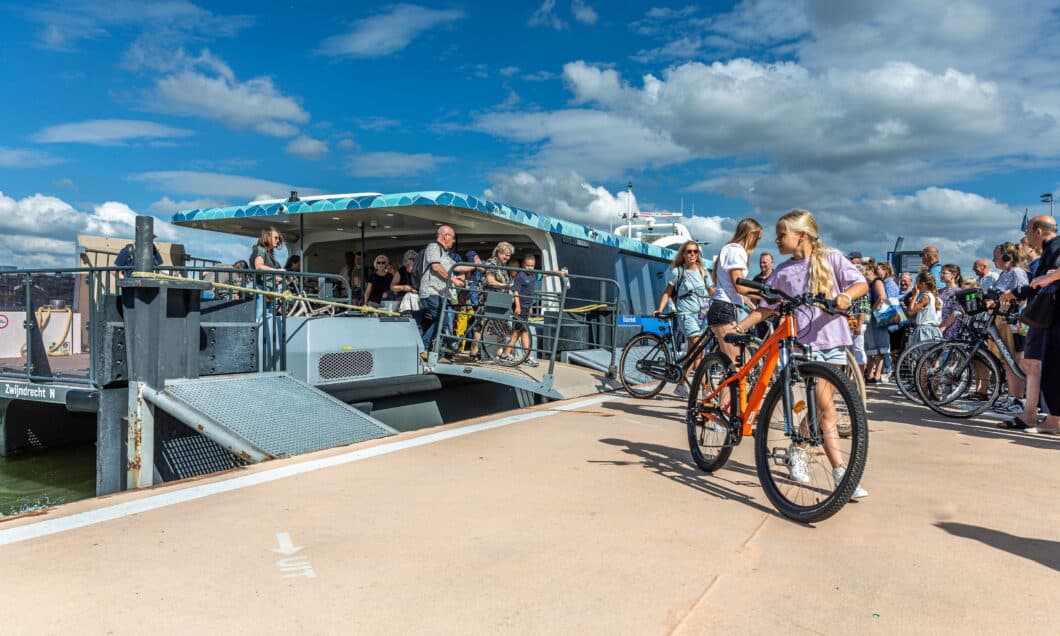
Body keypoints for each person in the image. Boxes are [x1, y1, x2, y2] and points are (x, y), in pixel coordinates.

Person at [734, 209, 869, 499]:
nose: (777, 239)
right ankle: (841, 474)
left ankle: (799, 450)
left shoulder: (831, 258)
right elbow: (766, 308)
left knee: (821, 408)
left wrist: (846, 296)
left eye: (782, 234)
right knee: (826, 409)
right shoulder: (782, 272)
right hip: (803, 347)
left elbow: (861, 284)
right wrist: (741, 326)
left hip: (833, 343)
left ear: (801, 236)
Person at [1001, 215, 1059, 433]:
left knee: (1047, 366)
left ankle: (1050, 420)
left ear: (1038, 231)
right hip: (1043, 316)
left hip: (1049, 316)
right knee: (1034, 364)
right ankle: (1032, 414)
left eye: (1027, 232)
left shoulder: (1055, 247)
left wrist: (1020, 291)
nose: (1025, 237)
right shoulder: (1050, 249)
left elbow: (1047, 281)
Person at [654, 239, 714, 396]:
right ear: (683, 254)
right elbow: (667, 292)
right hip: (685, 315)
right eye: (689, 251)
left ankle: (681, 385)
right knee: (699, 351)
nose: (692, 254)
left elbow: (711, 291)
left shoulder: (703, 272)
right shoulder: (678, 272)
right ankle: (706, 389)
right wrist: (659, 309)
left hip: (702, 316)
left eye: (695, 251)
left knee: (692, 352)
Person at [708, 218, 763, 365]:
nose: (756, 243)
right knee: (738, 365)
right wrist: (765, 294)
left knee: (737, 366)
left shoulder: (730, 249)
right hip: (724, 310)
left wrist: (747, 301)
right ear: (750, 235)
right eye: (757, 238)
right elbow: (739, 286)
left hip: (722, 309)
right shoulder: (736, 251)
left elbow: (731, 287)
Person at [420, 225, 472, 356]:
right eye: (453, 238)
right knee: (442, 321)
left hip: (441, 293)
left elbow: (458, 266)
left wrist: (478, 267)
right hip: (431, 291)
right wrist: (453, 280)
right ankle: (425, 349)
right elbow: (436, 267)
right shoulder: (433, 247)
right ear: (445, 236)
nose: (453, 241)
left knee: (442, 322)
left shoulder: (445, 254)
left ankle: (437, 353)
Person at [499, 253, 543, 367]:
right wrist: (518, 306)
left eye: (532, 265)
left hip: (526, 307)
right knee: (523, 333)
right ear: (523, 265)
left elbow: (544, 275)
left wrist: (558, 273)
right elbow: (516, 292)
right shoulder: (520, 276)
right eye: (528, 265)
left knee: (516, 333)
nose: (530, 267)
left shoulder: (533, 275)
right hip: (520, 308)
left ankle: (505, 354)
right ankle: (527, 357)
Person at [865, 262, 899, 384]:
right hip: (881, 316)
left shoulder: (880, 282)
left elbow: (883, 298)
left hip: (879, 316)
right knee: (878, 347)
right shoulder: (880, 282)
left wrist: (871, 310)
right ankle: (874, 375)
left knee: (877, 347)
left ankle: (874, 374)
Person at [906, 271, 943, 344]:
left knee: (922, 353)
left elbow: (910, 312)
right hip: (934, 330)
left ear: (923, 284)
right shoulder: (935, 297)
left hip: (924, 331)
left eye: (917, 283)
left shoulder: (925, 297)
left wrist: (915, 295)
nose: (915, 285)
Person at [250, 227, 284, 291]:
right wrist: (277, 271)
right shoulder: (261, 250)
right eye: (275, 238)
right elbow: (259, 266)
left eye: (278, 238)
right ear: (267, 237)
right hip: (260, 288)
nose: (278, 240)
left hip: (266, 288)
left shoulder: (268, 253)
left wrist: (276, 278)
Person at [938, 264, 966, 340]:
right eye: (941, 273)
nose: (941, 275)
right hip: (939, 326)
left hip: (951, 328)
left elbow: (957, 312)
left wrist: (943, 327)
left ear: (953, 275)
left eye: (944, 273)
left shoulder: (958, 292)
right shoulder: (940, 291)